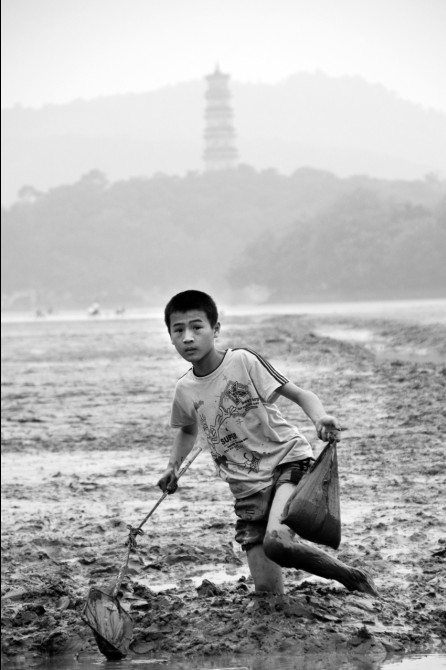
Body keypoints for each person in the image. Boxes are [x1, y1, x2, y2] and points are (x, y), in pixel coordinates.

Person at [157, 290, 377, 597]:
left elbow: (300, 395)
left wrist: (319, 418)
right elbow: (187, 431)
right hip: (246, 489)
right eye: (178, 330)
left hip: (286, 462)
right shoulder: (185, 389)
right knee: (268, 595)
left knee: (278, 542)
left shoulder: (242, 361)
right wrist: (172, 468)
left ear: (215, 329)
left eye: (197, 327)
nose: (188, 338)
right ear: (170, 336)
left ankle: (351, 576)